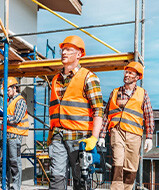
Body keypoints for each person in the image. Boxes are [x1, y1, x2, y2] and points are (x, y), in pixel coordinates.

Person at [48, 35, 104, 190]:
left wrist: (94, 137)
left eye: (69, 50)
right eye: (63, 50)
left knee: (81, 179)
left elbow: (99, 109)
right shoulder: (55, 79)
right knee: (56, 177)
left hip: (80, 138)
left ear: (79, 54)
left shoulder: (88, 77)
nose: (64, 53)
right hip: (58, 135)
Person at [98, 61, 155, 190]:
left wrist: (149, 137)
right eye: (126, 72)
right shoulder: (115, 92)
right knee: (117, 162)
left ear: (137, 77)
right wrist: (102, 135)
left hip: (134, 134)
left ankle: (127, 188)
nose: (127, 75)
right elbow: (107, 114)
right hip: (117, 131)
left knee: (131, 166)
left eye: (130, 73)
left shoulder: (142, 94)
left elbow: (149, 115)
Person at [0, 77, 29, 190]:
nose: (6, 93)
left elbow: (16, 118)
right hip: (6, 136)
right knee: (4, 163)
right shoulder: (9, 101)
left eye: (8, 90)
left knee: (14, 163)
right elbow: (8, 116)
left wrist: (1, 117)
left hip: (15, 137)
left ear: (14, 88)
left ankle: (16, 187)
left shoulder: (20, 101)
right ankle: (6, 186)